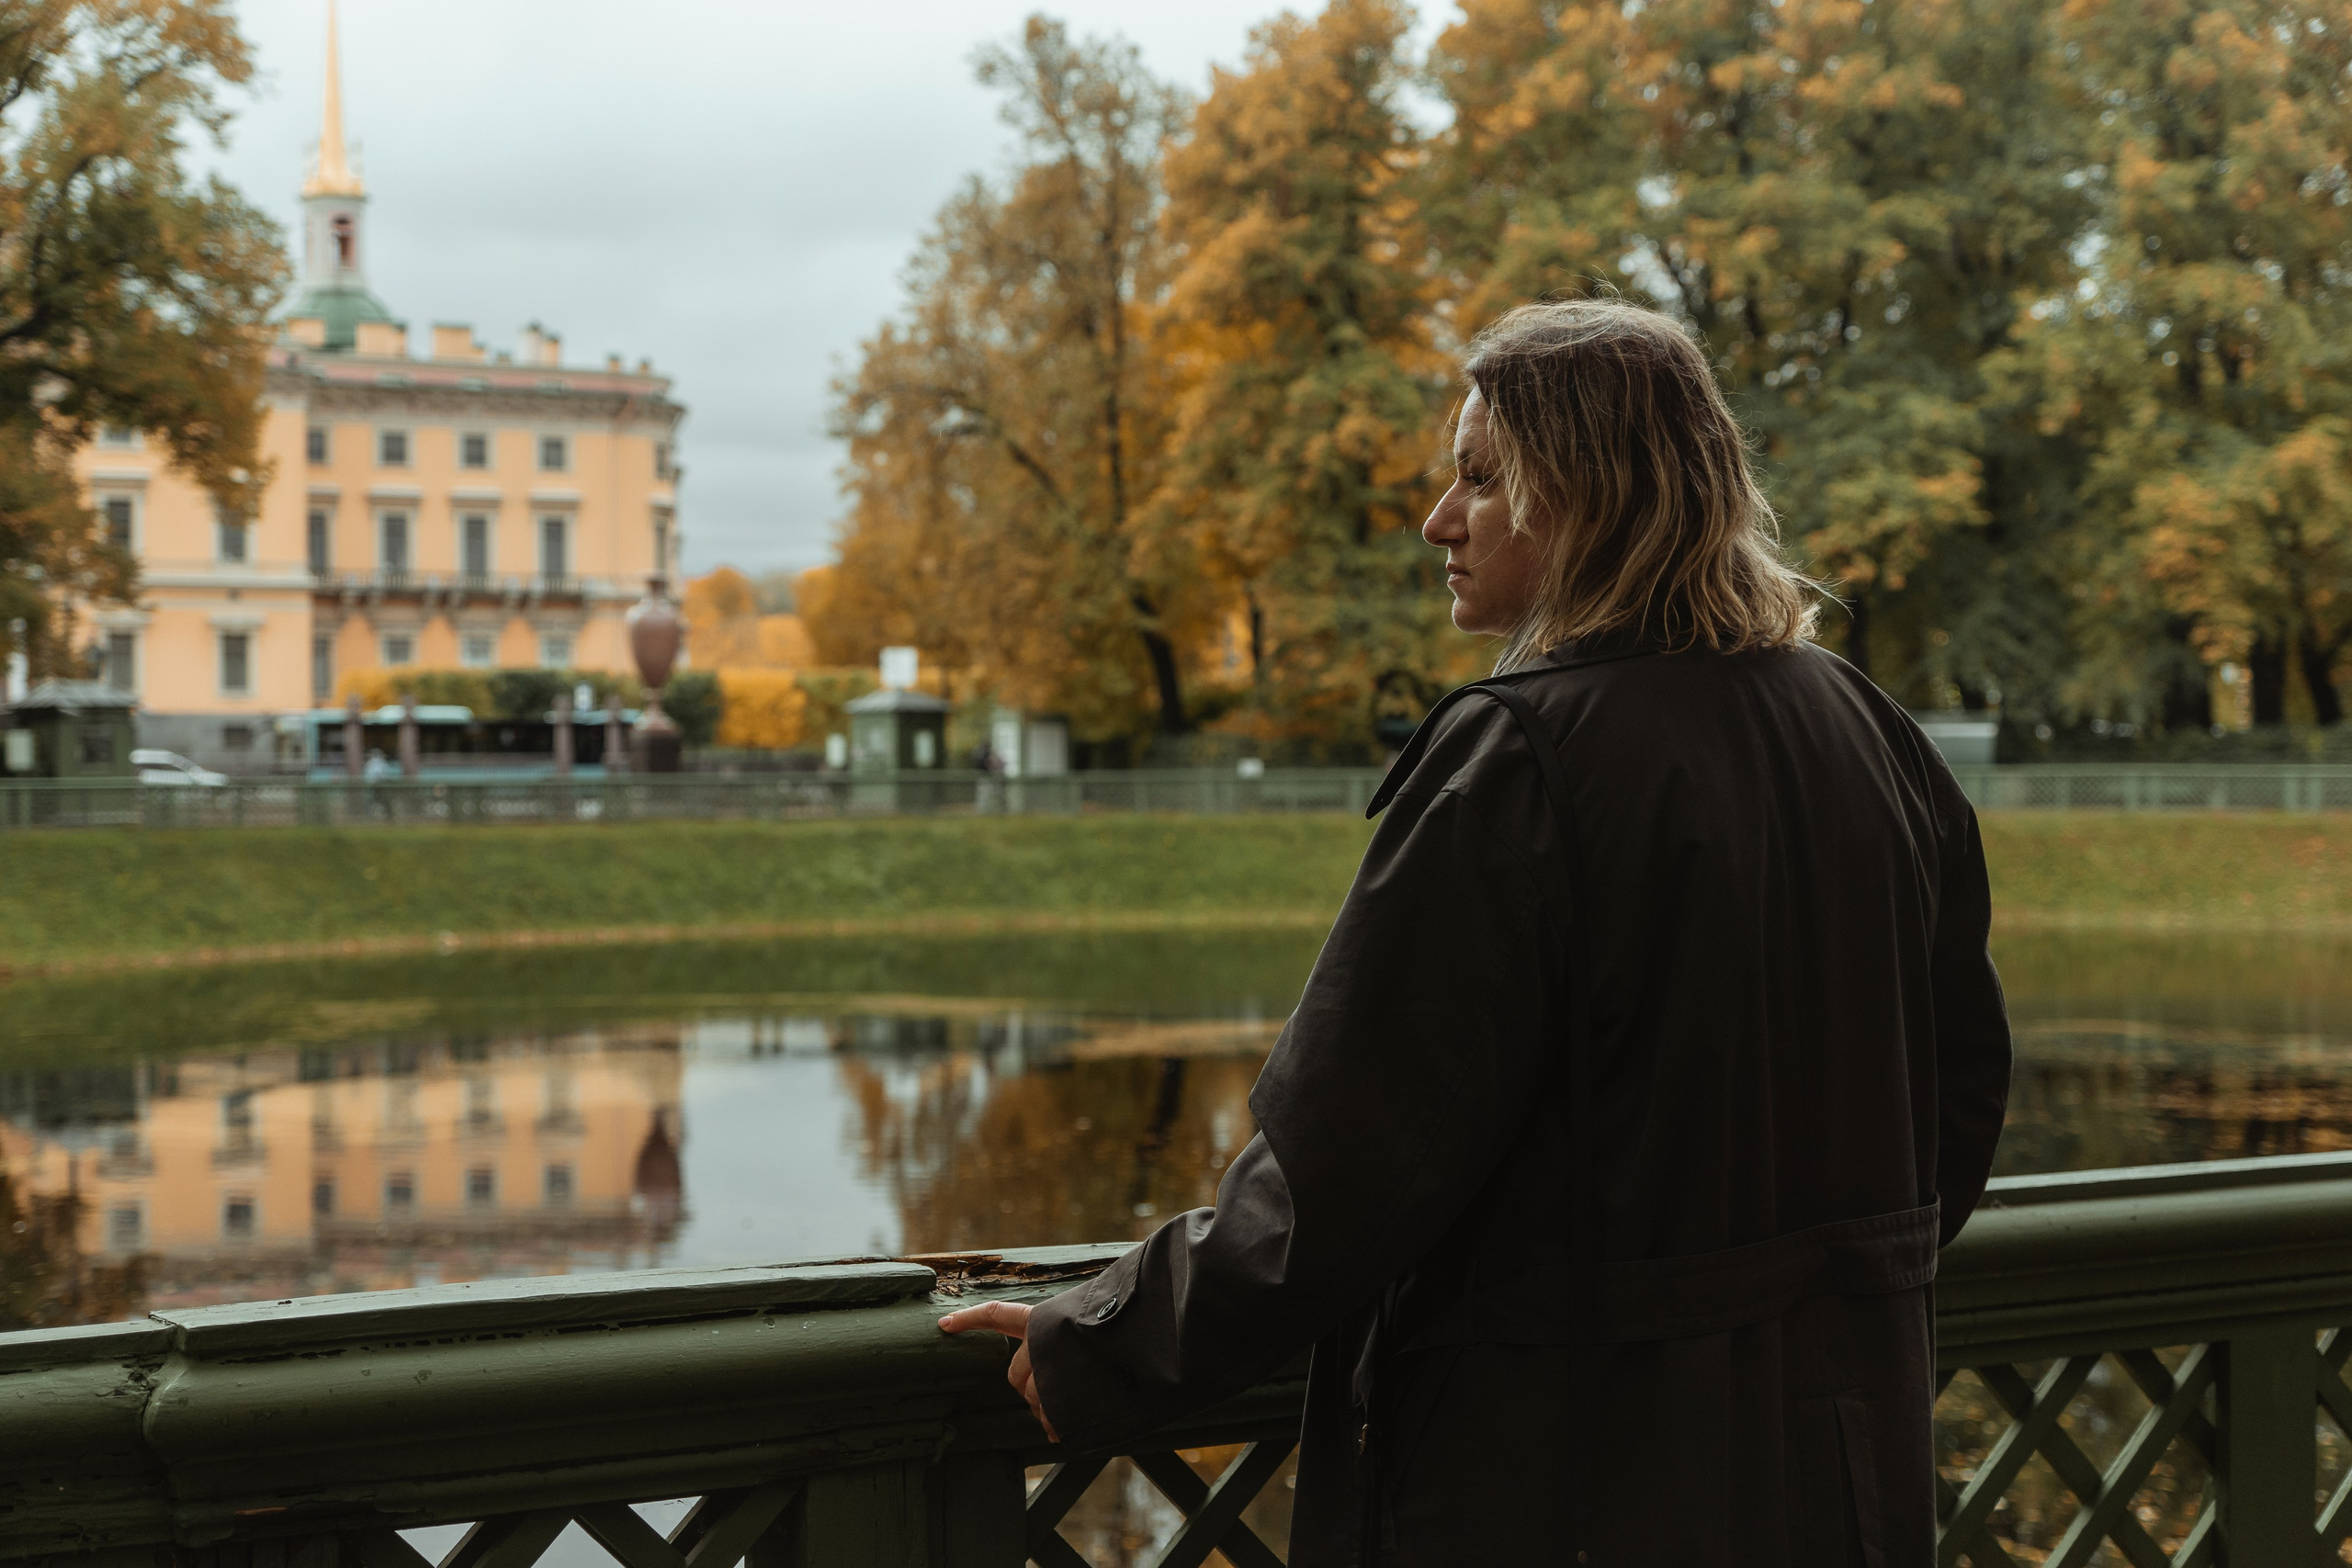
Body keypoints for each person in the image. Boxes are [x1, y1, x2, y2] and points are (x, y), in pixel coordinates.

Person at [940, 299, 2012, 1565]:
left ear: (1589, 493)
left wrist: (1113, 1333)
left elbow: (1351, 1163)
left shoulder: (1524, 753)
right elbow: (1957, 1104)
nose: (1440, 519)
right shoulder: (1863, 726)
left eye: (1481, 480)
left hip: (1569, 1483)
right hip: (1838, 1470)